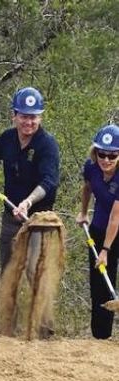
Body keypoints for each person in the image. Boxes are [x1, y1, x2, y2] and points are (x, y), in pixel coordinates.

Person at [0, 87, 60, 270]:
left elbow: (49, 181)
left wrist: (28, 202)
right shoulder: (7, 138)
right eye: (24, 116)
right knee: (9, 269)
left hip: (38, 218)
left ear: (40, 117)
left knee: (35, 270)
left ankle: (37, 299)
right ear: (14, 116)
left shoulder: (47, 144)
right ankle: (9, 299)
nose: (28, 122)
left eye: (33, 117)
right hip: (11, 215)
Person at [76, 124, 119, 339]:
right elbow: (87, 187)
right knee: (99, 282)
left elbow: (116, 217)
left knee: (109, 272)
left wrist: (106, 250)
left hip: (115, 231)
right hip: (98, 228)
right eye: (102, 154)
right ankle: (100, 336)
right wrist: (83, 213)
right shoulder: (91, 167)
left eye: (112, 155)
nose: (106, 160)